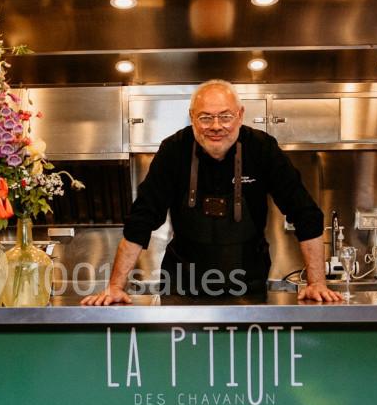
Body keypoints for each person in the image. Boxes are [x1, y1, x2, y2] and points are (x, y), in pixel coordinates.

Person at [82, 80, 342, 305]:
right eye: (205, 117)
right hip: (181, 285)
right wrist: (115, 286)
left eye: (225, 116)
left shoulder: (262, 149)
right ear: (192, 117)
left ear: (240, 115)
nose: (216, 126)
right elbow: (141, 219)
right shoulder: (173, 150)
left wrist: (316, 282)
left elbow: (305, 213)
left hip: (247, 283)